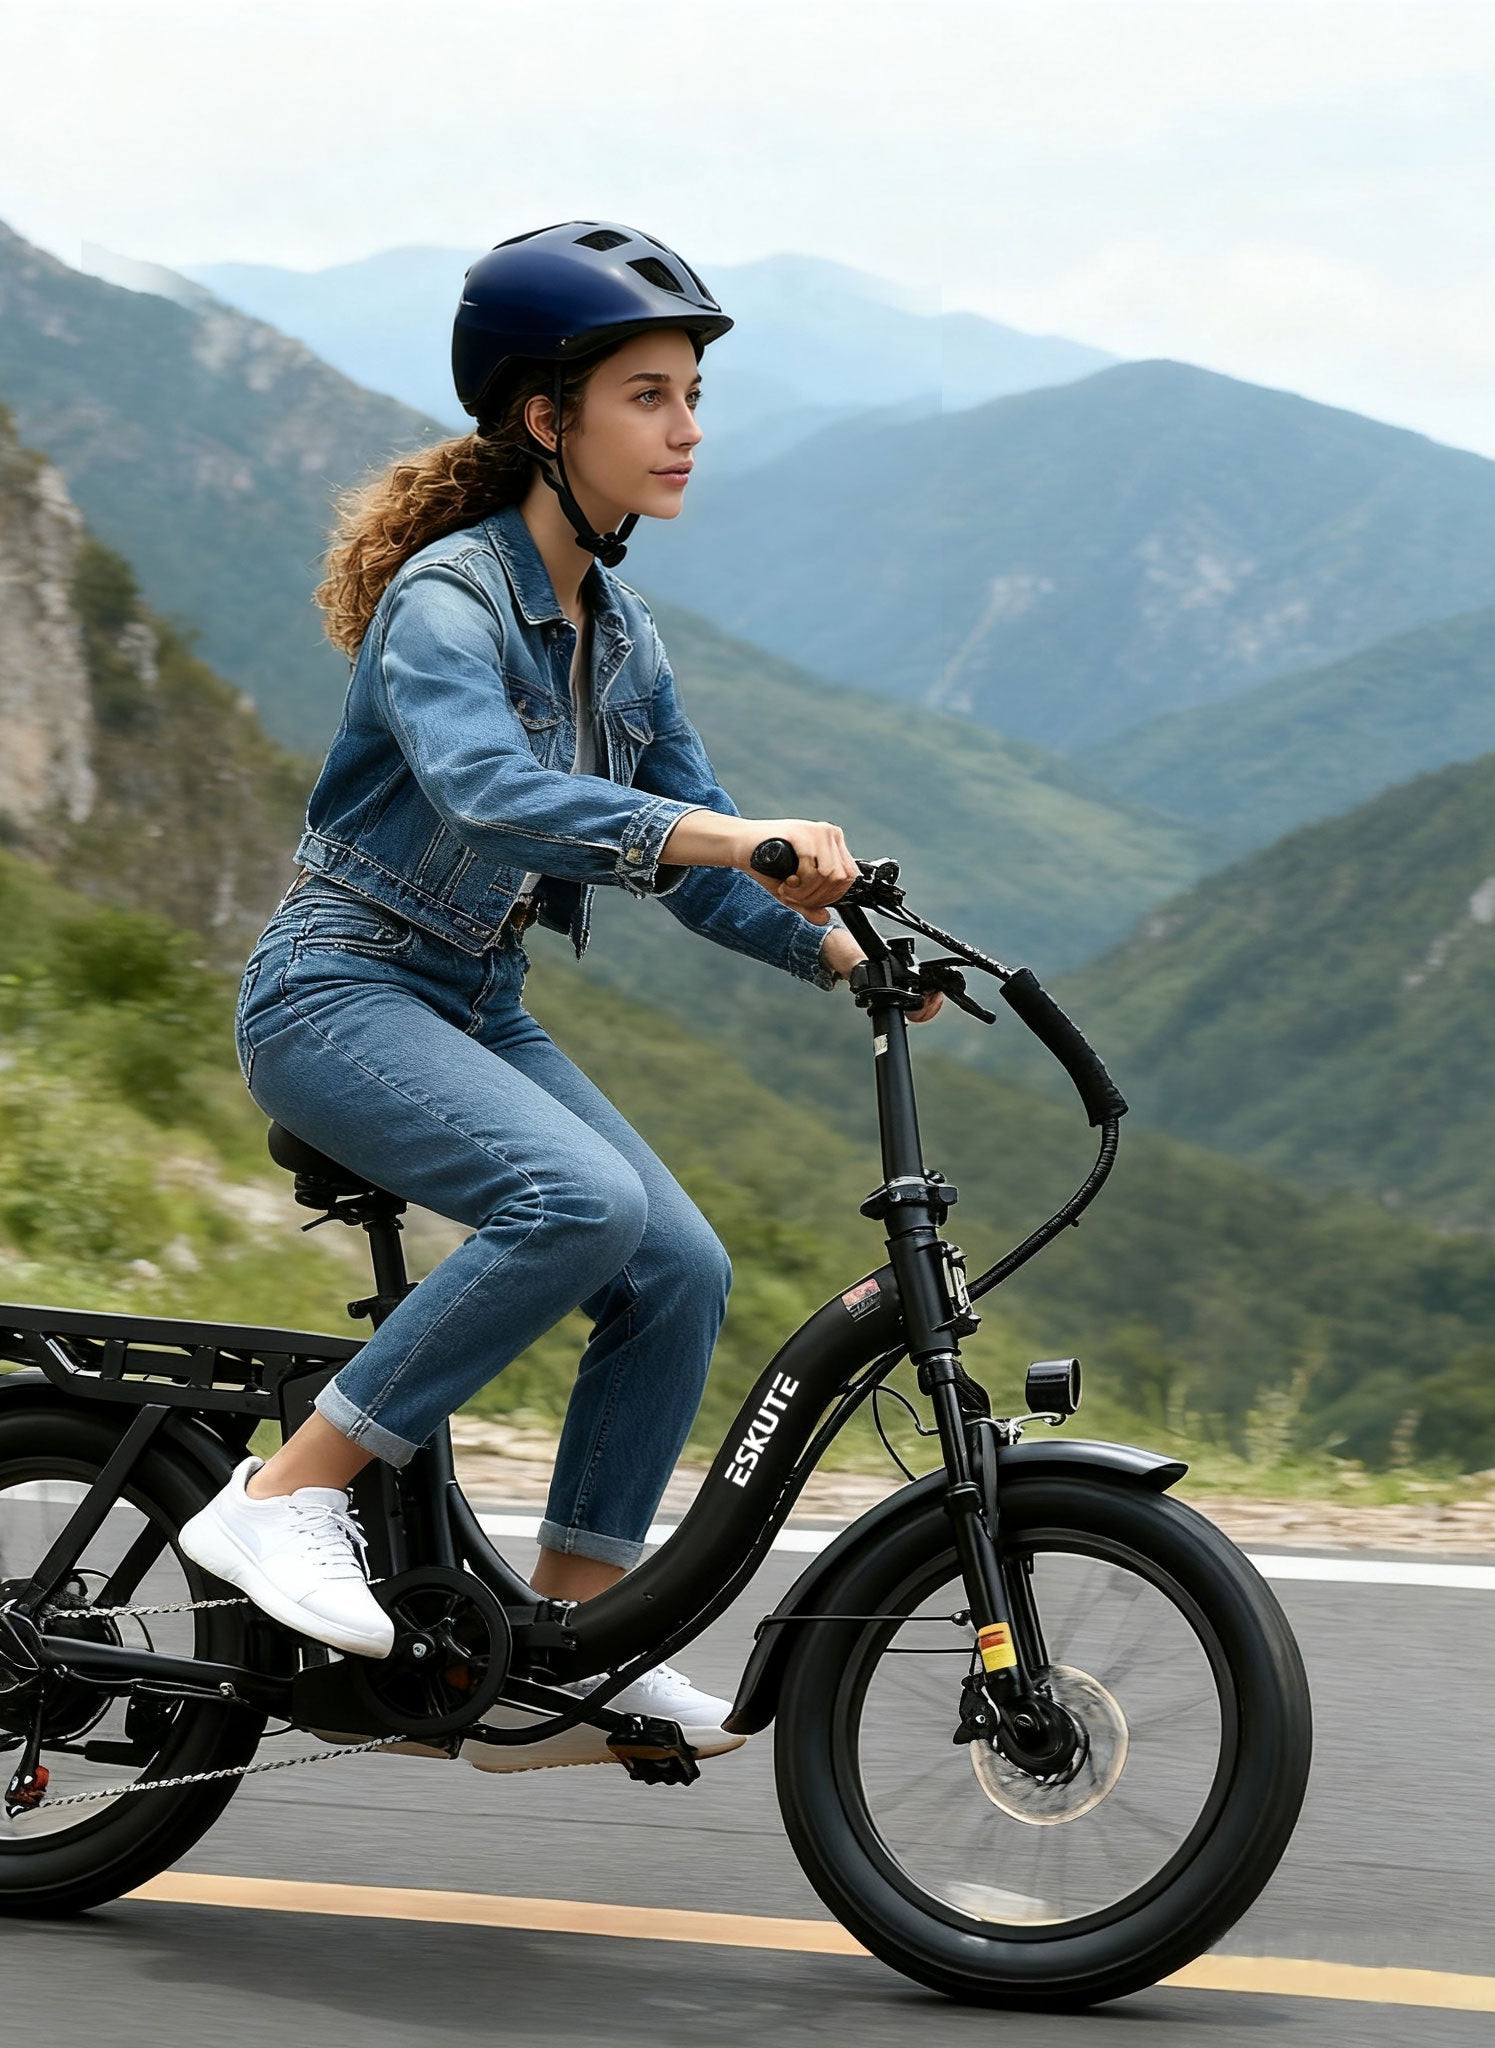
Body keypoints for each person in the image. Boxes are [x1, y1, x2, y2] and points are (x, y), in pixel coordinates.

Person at [180, 222, 937, 1768]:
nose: (687, 428)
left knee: (681, 1268)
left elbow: (710, 870)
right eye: (649, 396)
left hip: (468, 999)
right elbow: (489, 791)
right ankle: (283, 1496)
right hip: (335, 994)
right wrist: (734, 833)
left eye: (692, 395)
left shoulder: (622, 639)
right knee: (575, 1202)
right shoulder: (448, 600)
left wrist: (851, 957)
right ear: (547, 416)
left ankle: (565, 1656)